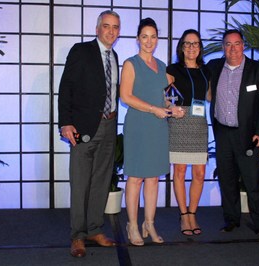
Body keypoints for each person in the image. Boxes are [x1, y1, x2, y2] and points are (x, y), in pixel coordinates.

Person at [58, 10, 120, 257]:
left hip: (110, 125)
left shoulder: (115, 56)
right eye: (106, 26)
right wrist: (65, 123)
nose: (111, 31)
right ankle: (77, 236)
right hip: (83, 128)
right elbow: (66, 88)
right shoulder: (81, 51)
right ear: (97, 29)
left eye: (115, 27)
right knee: (81, 182)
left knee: (101, 181)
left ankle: (95, 229)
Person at [120, 17, 185, 246]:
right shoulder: (130, 63)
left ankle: (149, 222)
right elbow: (125, 96)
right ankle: (132, 225)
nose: (149, 41)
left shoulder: (162, 67)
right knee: (136, 177)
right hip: (138, 125)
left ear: (158, 39)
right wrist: (153, 109)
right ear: (138, 39)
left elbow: (165, 98)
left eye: (153, 36)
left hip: (158, 126)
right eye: (145, 36)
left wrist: (172, 109)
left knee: (153, 179)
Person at [207, 29, 259, 241]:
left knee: (253, 181)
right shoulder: (214, 67)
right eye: (228, 44)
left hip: (248, 136)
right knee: (227, 180)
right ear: (223, 47)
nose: (233, 49)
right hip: (223, 133)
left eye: (237, 44)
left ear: (243, 45)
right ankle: (232, 219)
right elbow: (193, 76)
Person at [166, 29, 211, 236]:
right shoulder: (172, 69)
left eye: (195, 44)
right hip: (180, 121)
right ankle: (184, 215)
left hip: (200, 123)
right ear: (181, 47)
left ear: (200, 47)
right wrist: (171, 109)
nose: (192, 47)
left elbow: (210, 96)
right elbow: (162, 96)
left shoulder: (206, 70)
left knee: (200, 173)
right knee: (180, 171)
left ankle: (193, 212)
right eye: (187, 43)